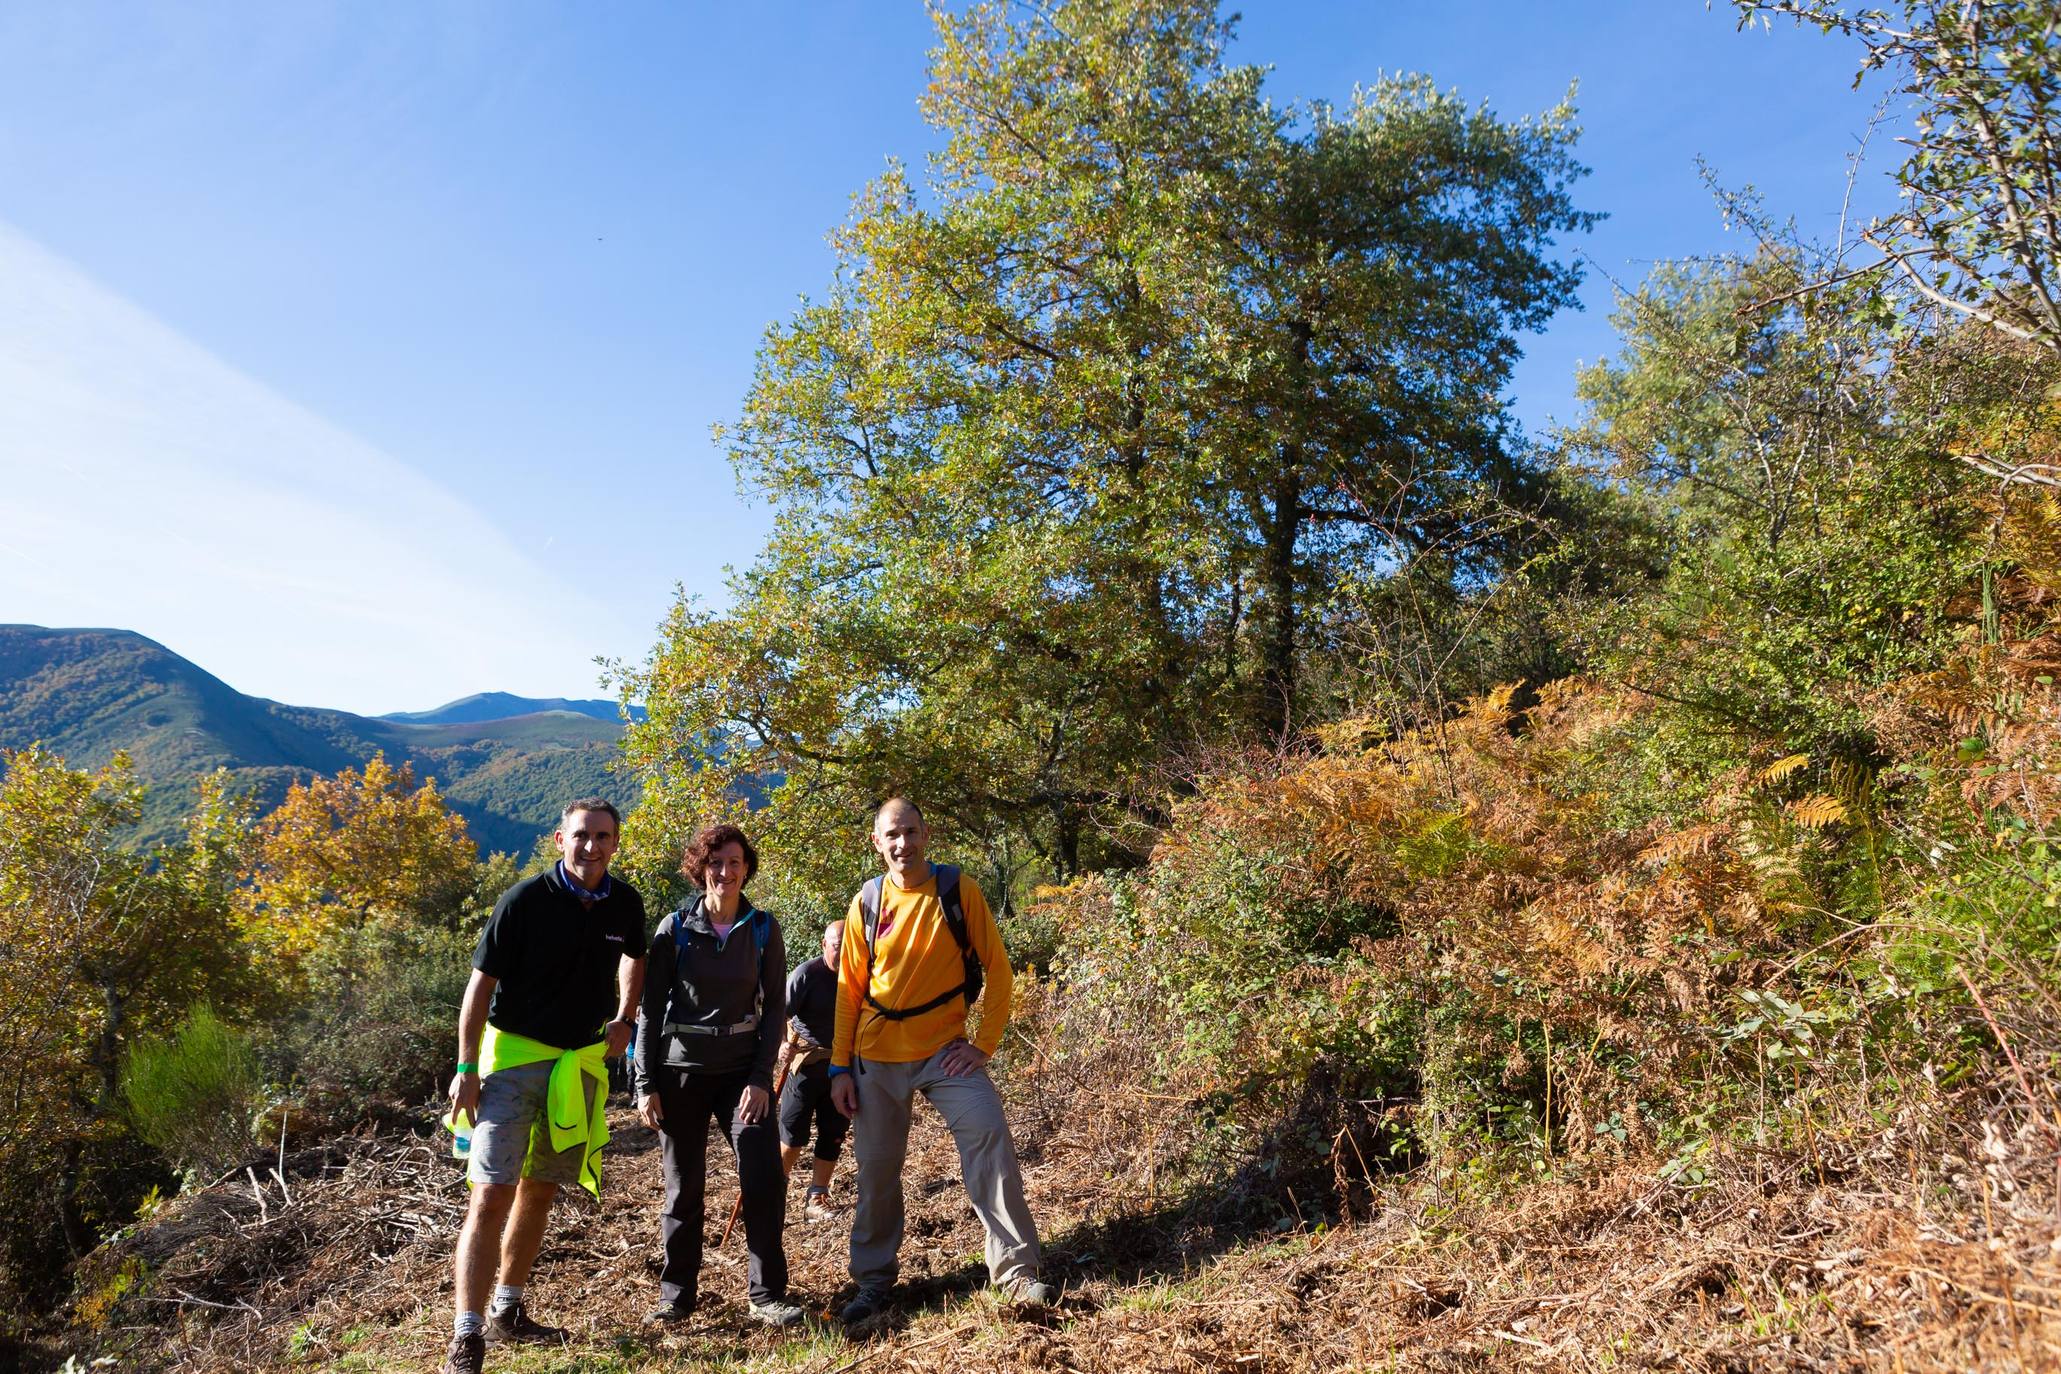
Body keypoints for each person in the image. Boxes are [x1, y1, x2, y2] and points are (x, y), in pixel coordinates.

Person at [828, 798, 1056, 1326]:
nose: (902, 843)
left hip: (945, 1052)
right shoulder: (866, 901)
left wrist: (984, 1044)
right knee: (877, 1172)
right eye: (892, 835)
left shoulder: (958, 889)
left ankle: (1017, 1275)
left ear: (925, 834)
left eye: (910, 832)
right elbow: (849, 992)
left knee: (988, 1134)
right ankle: (872, 1283)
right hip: (876, 1055)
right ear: (876, 842)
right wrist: (839, 1068)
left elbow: (999, 970)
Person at [443, 799, 645, 1374]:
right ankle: (468, 1333)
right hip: (510, 1064)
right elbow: (479, 988)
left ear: (614, 842)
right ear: (560, 839)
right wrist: (465, 1070)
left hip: (575, 1066)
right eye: (581, 836)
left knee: (540, 1190)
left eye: (603, 837)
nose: (592, 846)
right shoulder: (526, 900)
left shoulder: (624, 902)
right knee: (489, 1193)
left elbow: (635, 956)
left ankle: (508, 1309)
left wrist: (627, 1015)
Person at [634, 823, 805, 1328]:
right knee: (683, 1188)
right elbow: (649, 1010)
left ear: (746, 868)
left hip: (740, 1076)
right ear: (700, 869)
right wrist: (645, 1084)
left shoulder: (762, 928)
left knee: (763, 1177)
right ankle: (677, 1298)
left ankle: (767, 1294)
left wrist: (759, 1076)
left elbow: (775, 1008)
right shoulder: (675, 928)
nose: (724, 873)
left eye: (733, 863)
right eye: (715, 864)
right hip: (680, 1072)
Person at [778, 921, 848, 1221]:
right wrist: (782, 1043)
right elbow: (777, 1013)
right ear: (824, 945)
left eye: (849, 945)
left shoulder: (860, 975)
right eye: (837, 946)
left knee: (833, 1134)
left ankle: (817, 1196)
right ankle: (773, 1189)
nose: (843, 952)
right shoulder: (806, 974)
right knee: (793, 1136)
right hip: (806, 1065)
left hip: (843, 1068)